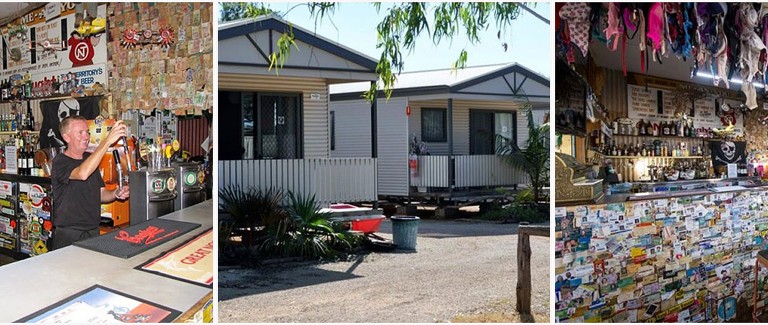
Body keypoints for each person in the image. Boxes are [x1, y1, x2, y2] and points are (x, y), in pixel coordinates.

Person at [51, 116, 130, 250]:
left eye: (87, 132)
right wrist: (107, 142)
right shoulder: (60, 161)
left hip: (93, 230)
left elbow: (101, 194)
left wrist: (116, 193)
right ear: (66, 137)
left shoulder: (89, 158)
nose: (86, 136)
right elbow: (82, 174)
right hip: (69, 233)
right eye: (80, 132)